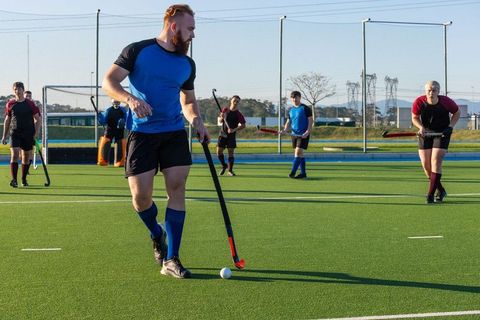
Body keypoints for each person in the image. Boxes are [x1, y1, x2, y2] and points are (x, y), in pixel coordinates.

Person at [102, 4, 209, 279]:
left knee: (177, 186)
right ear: (174, 27)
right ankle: (156, 232)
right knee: (141, 197)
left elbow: (187, 99)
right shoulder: (137, 51)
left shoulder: (187, 64)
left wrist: (196, 120)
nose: (193, 35)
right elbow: (110, 81)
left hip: (173, 131)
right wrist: (130, 99)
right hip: (142, 134)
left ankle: (172, 259)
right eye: (190, 29)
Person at [411, 80, 460, 204]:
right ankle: (441, 190)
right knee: (426, 166)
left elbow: (457, 112)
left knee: (435, 161)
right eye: (429, 90)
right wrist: (421, 127)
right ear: (425, 91)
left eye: (434, 90)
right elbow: (414, 117)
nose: (431, 93)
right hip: (425, 133)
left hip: (442, 133)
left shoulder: (446, 102)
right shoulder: (419, 102)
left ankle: (430, 194)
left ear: (438, 91)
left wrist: (450, 127)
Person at [1, 82, 41, 187]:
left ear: (23, 90)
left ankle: (23, 179)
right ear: (13, 91)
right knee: (14, 155)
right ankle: (14, 180)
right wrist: (4, 136)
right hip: (15, 133)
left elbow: (38, 119)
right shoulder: (10, 104)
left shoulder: (30, 104)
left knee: (26, 157)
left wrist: (36, 133)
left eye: (19, 89)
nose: (17, 91)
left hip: (28, 133)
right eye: (15, 89)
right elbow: (7, 120)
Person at [282, 91, 313, 179]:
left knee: (298, 152)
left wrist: (307, 132)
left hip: (303, 134)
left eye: (296, 97)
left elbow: (311, 121)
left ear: (300, 97)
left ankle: (292, 172)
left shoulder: (305, 108)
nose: (294, 99)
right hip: (294, 134)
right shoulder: (291, 110)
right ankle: (303, 174)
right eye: (293, 98)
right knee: (300, 154)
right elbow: (288, 122)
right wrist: (284, 130)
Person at [216, 95, 246, 176]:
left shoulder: (238, 114)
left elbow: (243, 125)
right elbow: (220, 121)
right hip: (222, 134)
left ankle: (230, 170)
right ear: (231, 101)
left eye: (237, 101)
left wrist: (233, 130)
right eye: (234, 100)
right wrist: (222, 117)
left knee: (230, 153)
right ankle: (224, 166)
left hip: (231, 136)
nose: (235, 102)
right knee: (219, 152)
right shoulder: (225, 110)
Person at [97, 99, 128, 167]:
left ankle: (119, 162)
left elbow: (126, 119)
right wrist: (99, 116)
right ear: (112, 103)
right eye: (115, 102)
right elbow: (103, 120)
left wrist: (124, 123)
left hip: (119, 129)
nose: (116, 104)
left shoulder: (123, 110)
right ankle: (103, 161)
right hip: (110, 129)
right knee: (106, 143)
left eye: (117, 102)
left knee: (120, 143)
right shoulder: (108, 110)